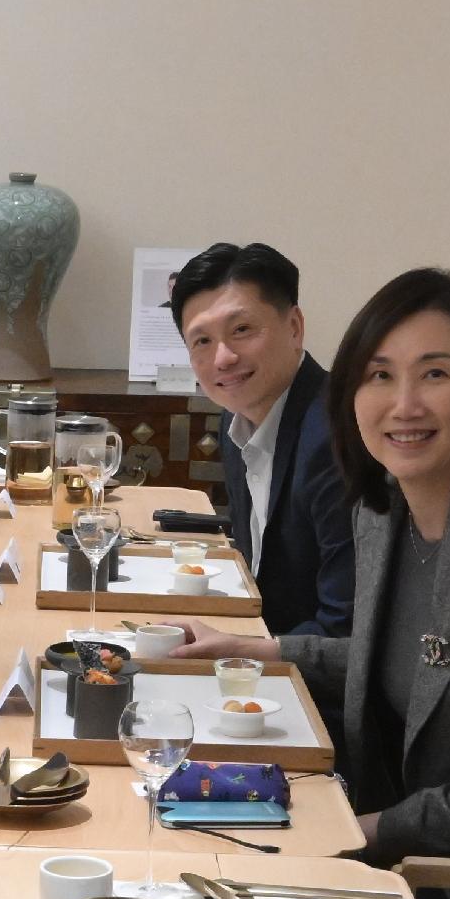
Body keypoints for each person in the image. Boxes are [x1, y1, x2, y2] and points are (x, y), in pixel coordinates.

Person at [181, 268, 450, 863]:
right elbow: (399, 662)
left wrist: (359, 834)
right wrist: (250, 650)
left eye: (434, 374)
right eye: (380, 375)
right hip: (365, 814)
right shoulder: (383, 508)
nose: (404, 405)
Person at [177, 243, 354, 638]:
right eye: (202, 341)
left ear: (294, 327)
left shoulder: (336, 437)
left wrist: (240, 648)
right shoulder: (235, 419)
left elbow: (346, 626)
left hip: (307, 668)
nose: (223, 358)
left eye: (241, 330)